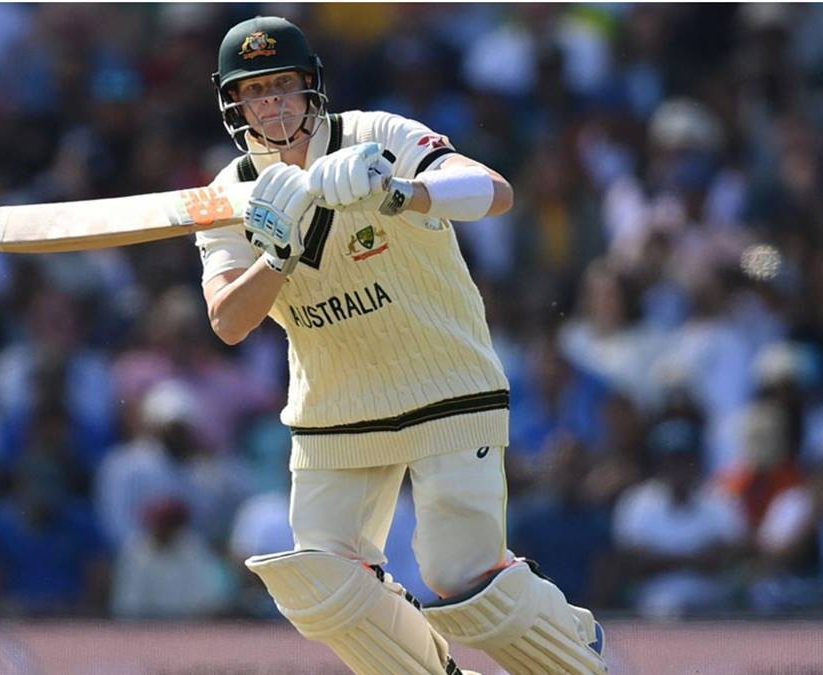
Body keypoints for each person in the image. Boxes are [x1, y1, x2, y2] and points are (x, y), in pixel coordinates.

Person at [195, 16, 605, 675]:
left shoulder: (376, 136)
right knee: (322, 585)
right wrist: (274, 255)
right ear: (233, 104)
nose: (272, 106)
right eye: (254, 92)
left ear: (310, 86)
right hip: (335, 403)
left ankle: (576, 655)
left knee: (462, 574)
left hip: (442, 377)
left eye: (282, 86)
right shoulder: (229, 193)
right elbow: (228, 320)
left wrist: (397, 192)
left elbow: (495, 192)